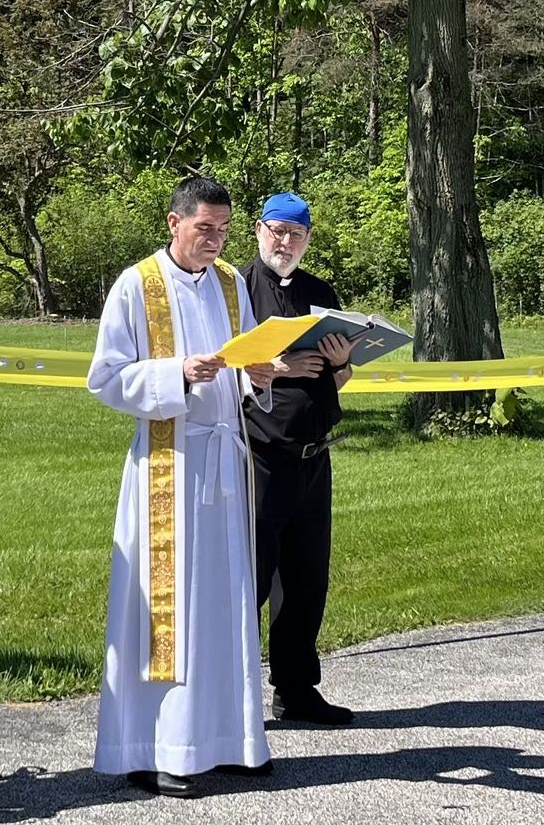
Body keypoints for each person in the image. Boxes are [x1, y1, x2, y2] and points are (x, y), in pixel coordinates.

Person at [89, 176, 284, 800]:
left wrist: (258, 371)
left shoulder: (231, 284)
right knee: (166, 613)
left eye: (224, 230)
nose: (216, 240)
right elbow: (106, 377)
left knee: (226, 601)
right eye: (206, 228)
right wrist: (177, 372)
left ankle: (230, 740)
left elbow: (247, 356)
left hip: (224, 461)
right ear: (173, 223)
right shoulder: (136, 285)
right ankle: (158, 747)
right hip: (167, 466)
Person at [241, 192, 357, 726]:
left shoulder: (319, 293)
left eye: (296, 234)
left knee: (307, 579)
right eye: (276, 231)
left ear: (308, 240)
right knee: (251, 579)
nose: (284, 243)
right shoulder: (236, 289)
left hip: (315, 455)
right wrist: (278, 367)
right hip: (259, 452)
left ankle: (295, 690)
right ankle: (234, 696)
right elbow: (222, 366)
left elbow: (339, 379)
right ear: (258, 230)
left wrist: (340, 364)